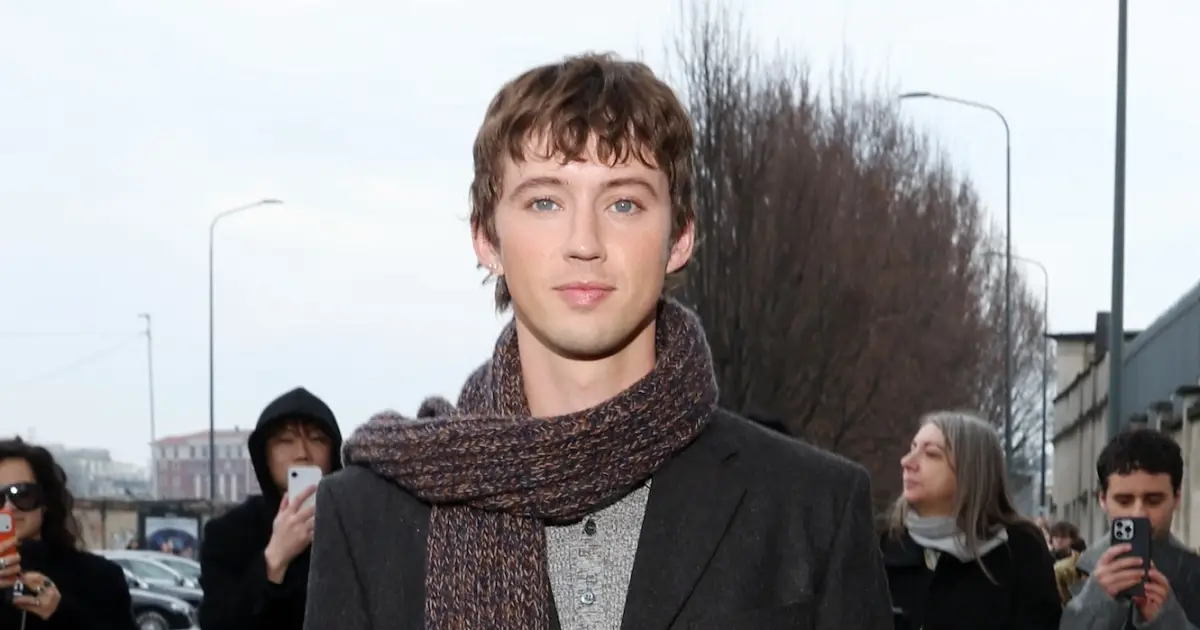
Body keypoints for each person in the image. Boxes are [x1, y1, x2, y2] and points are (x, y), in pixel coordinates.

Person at [303, 52, 892, 630]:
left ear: (680, 238)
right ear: (486, 239)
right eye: (545, 201)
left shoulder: (814, 508)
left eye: (624, 203)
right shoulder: (366, 519)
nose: (584, 242)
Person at [881, 411, 1062, 630]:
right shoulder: (883, 543)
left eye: (931, 454)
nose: (907, 462)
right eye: (912, 448)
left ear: (971, 470)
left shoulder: (1021, 549)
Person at [199, 387, 342, 630]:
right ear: (264, 454)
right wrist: (273, 560)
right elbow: (217, 623)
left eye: (317, 439)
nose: (302, 453)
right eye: (285, 440)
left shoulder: (355, 527)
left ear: (334, 452)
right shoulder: (228, 534)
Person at [1061, 428, 1200, 628]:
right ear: (1103, 499)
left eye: (1153, 500)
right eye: (1124, 501)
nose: (1138, 514)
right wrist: (1093, 604)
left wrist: (1168, 620)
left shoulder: (1194, 573)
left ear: (1176, 498)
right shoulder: (1066, 576)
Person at [0, 437, 136, 630]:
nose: (9, 508)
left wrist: (61, 613)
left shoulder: (99, 577)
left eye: (23, 494)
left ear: (46, 500)